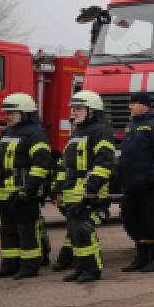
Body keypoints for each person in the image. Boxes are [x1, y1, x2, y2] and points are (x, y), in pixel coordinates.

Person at [53, 91, 115, 283]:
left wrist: (92, 188)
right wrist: (58, 189)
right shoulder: (77, 131)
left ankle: (93, 269)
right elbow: (66, 164)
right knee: (73, 233)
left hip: (89, 191)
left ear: (91, 110)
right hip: (72, 191)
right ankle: (80, 268)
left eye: (79, 108)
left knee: (83, 231)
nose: (74, 111)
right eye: (74, 108)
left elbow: (105, 161)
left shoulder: (101, 130)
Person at [0, 93, 53, 279]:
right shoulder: (7, 132)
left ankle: (29, 266)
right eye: (6, 113)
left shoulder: (36, 134)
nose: (7, 116)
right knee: (8, 230)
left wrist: (27, 190)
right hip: (4, 192)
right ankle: (10, 265)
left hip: (24, 192)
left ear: (24, 113)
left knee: (26, 229)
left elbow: (41, 164)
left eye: (11, 113)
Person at [117, 92, 154, 273]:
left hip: (151, 184)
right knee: (135, 220)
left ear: (144, 105)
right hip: (132, 183)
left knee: (151, 220)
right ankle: (141, 257)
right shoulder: (132, 125)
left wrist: (153, 177)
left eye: (133, 104)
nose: (130, 107)